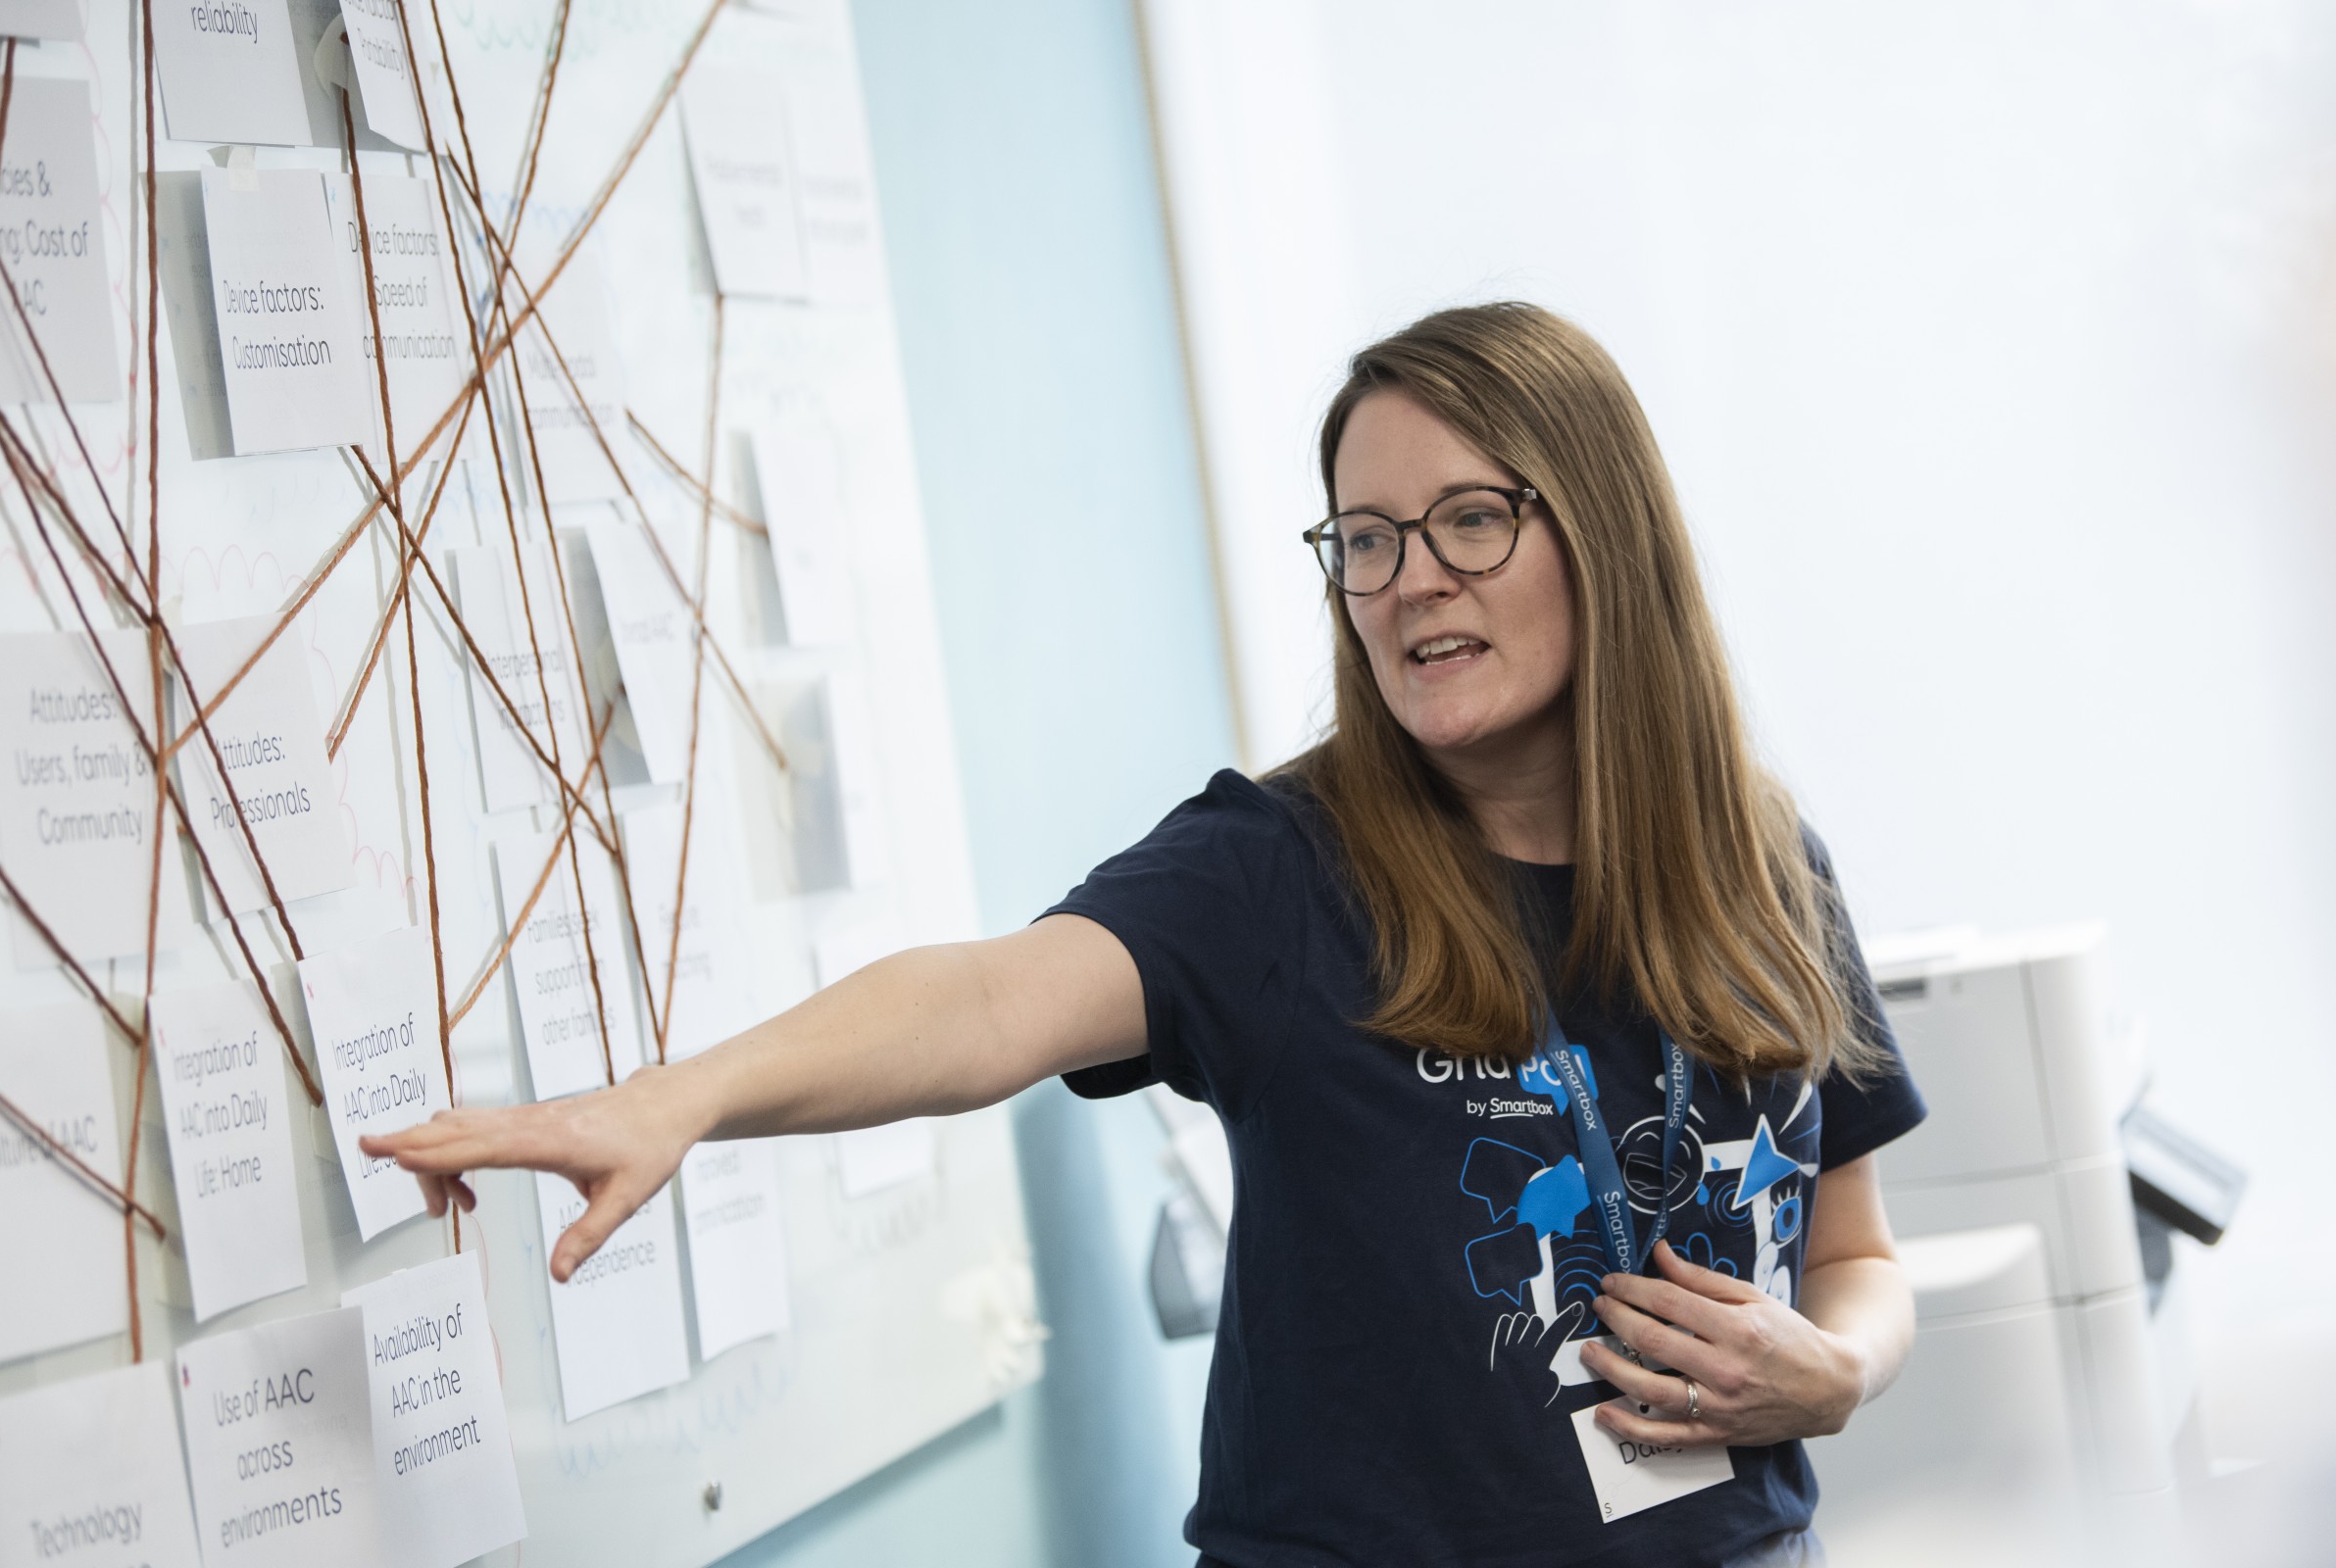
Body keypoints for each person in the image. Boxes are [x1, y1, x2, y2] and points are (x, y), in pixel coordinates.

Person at [366, 302, 1925, 1568]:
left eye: (1468, 521)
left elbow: (1854, 1258)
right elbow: (987, 1004)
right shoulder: (1279, 870)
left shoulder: (1761, 862)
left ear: (1606, 536)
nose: (1405, 580)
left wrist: (1836, 1370)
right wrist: (685, 1096)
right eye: (1364, 538)